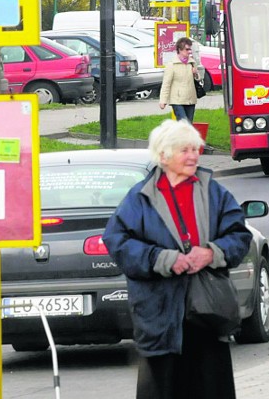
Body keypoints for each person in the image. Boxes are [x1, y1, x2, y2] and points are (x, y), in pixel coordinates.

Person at [102, 119, 253, 399]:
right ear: (163, 156)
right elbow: (118, 243)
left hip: (207, 313)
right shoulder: (139, 199)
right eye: (185, 150)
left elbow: (238, 234)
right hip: (160, 316)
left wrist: (211, 253)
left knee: (211, 387)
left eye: (196, 149)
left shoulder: (213, 191)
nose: (193, 155)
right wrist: (162, 259)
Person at [159, 37, 200, 123]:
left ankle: (180, 136)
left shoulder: (192, 63)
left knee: (189, 125)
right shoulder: (172, 65)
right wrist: (163, 100)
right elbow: (166, 84)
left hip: (190, 99)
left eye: (190, 49)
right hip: (177, 100)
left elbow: (198, 79)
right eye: (187, 49)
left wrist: (195, 73)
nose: (189, 52)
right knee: (184, 124)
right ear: (179, 50)